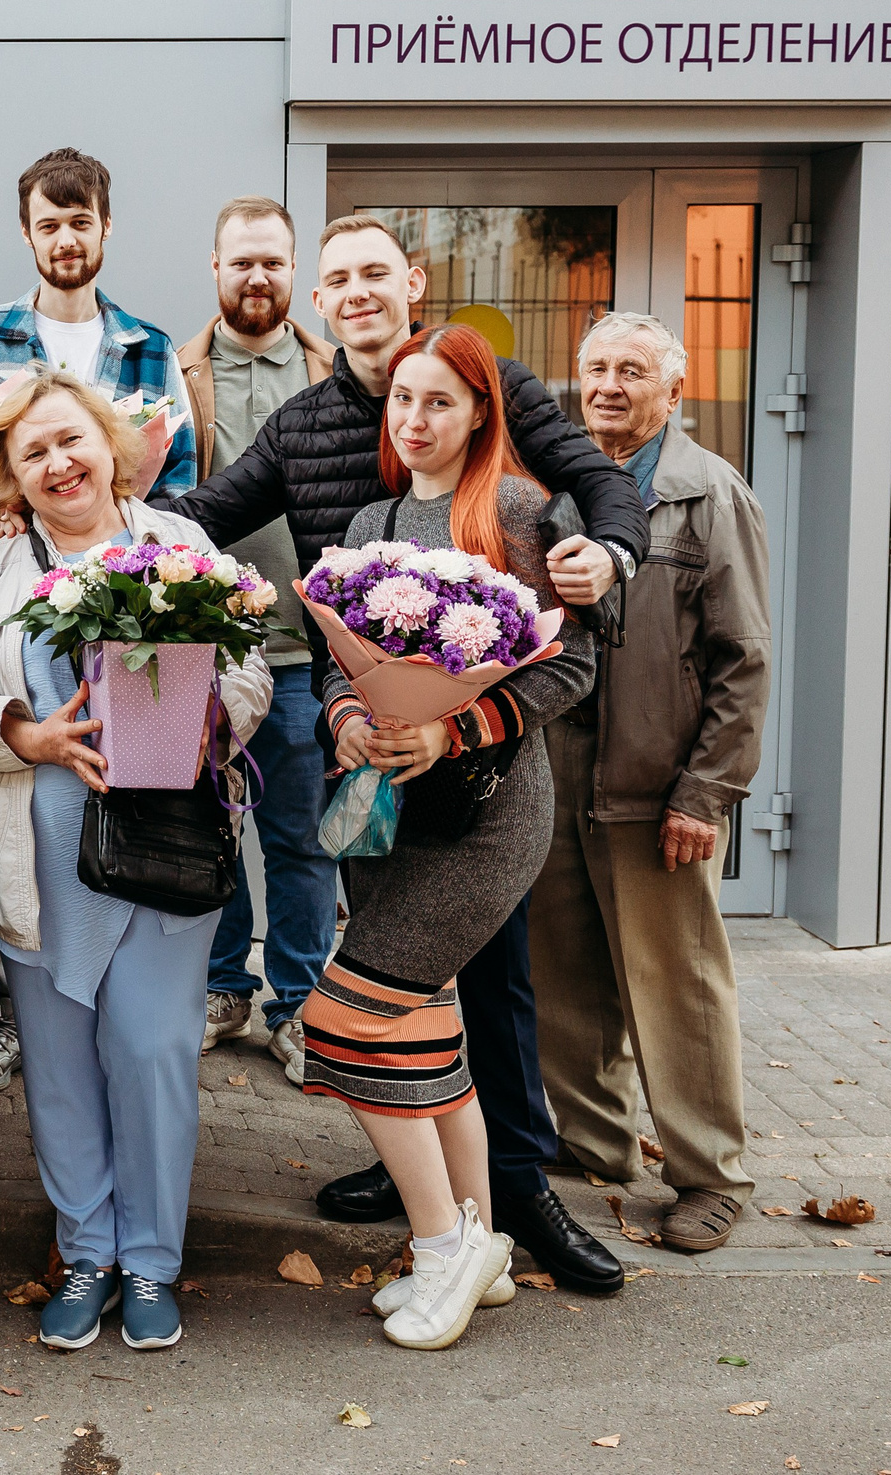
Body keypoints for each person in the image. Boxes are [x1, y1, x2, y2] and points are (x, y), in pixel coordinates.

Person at [166, 212, 642, 1297]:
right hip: (373, 770)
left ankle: (509, 1198)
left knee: (481, 987)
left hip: (479, 780)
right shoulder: (308, 432)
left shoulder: (506, 438)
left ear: (410, 281)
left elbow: (596, 507)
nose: (357, 292)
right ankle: (434, 1190)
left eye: (374, 271)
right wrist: (95, 519)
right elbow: (207, 514)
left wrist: (608, 553)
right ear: (318, 301)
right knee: (408, 997)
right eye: (337, 280)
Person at [0, 367, 271, 1354]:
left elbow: (247, 659)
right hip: (33, 855)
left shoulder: (176, 545)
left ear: (107, 445)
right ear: (9, 472)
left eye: (70, 440)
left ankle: (153, 1263)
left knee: (154, 1054)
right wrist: (18, 733)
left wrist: (217, 714)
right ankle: (86, 1252)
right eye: (31, 450)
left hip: (163, 846)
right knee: (60, 1068)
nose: (57, 462)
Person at [305, 324, 597, 1351]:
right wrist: (350, 718)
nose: (415, 420)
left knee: (338, 1023)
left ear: (479, 411)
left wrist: (448, 725)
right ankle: (483, 1244)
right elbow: (332, 657)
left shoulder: (519, 512)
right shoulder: (372, 515)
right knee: (424, 1030)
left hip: (484, 817)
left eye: (438, 401)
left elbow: (570, 668)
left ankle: (441, 1247)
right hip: (387, 813)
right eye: (400, 402)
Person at [530, 312, 770, 1254]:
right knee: (566, 967)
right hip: (555, 768)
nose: (609, 386)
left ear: (676, 393)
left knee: (677, 981)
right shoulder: (556, 485)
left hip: (656, 779)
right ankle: (591, 1142)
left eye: (634, 371)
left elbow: (743, 659)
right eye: (595, 368)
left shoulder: (708, 494)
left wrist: (706, 793)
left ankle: (710, 1172)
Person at [176, 198, 340, 1081]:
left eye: (273, 262)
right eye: (241, 261)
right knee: (211, 829)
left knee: (301, 840)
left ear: (293, 273)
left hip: (305, 650)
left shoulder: (329, 369)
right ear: (215, 268)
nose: (257, 277)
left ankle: (301, 1004)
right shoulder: (176, 371)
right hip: (206, 651)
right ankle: (220, 987)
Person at [0, 149, 196, 550]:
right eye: (49, 226)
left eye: (80, 222)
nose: (66, 241)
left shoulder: (151, 349)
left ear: (105, 225)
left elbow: (179, 477)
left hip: (125, 581)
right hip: (12, 572)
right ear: (27, 233)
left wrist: (141, 564)